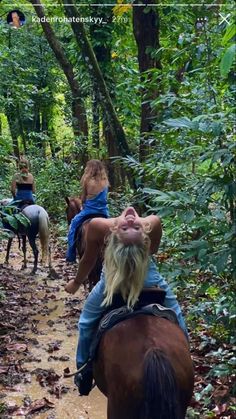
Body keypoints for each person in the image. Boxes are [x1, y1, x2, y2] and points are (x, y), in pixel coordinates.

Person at [65, 207, 188, 395]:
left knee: (86, 321)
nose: (130, 220)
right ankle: (188, 357)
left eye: (132, 229)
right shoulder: (151, 222)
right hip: (146, 277)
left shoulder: (99, 225)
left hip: (114, 281)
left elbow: (88, 260)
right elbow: (152, 249)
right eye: (129, 228)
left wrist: (76, 282)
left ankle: (83, 370)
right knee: (176, 315)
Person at [66, 159, 109, 262]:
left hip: (88, 212)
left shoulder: (87, 180)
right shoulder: (105, 182)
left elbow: (84, 198)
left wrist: (83, 205)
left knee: (73, 225)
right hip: (104, 213)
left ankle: (71, 254)